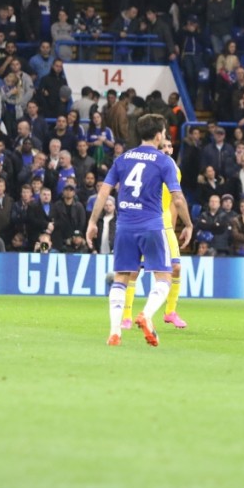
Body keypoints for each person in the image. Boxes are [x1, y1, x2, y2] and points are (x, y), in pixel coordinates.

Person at [86, 114, 193, 347]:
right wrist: (188, 224)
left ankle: (115, 332)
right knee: (164, 276)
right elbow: (177, 198)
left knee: (121, 278)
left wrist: (92, 222)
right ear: (159, 135)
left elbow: (103, 192)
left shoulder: (123, 159)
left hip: (124, 227)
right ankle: (146, 314)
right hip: (152, 226)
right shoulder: (164, 161)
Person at [122, 136, 187, 331]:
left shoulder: (175, 170)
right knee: (133, 271)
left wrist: (173, 226)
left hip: (164, 225)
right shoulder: (148, 168)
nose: (166, 149)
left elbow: (173, 201)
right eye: (163, 146)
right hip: (144, 223)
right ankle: (126, 316)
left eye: (169, 146)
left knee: (176, 268)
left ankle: (170, 312)